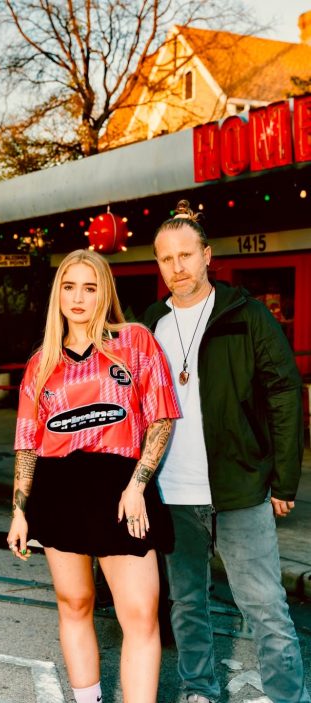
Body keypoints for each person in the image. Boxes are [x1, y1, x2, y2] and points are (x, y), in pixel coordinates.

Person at [141, 199, 309, 703]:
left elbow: (284, 393)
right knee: (186, 603)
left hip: (239, 487)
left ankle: (288, 697)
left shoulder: (246, 315)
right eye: (167, 258)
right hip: (172, 491)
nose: (178, 267)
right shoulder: (151, 323)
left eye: (186, 255)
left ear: (207, 255)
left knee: (265, 606)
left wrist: (283, 478)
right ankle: (199, 689)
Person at [8, 249, 180, 703]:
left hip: (120, 485)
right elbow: (27, 442)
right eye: (69, 287)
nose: (78, 298)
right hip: (58, 487)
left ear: (105, 293)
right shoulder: (41, 362)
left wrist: (138, 484)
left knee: (140, 614)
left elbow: (161, 417)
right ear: (58, 295)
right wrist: (19, 511)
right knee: (75, 603)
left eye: (90, 287)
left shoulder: (135, 341)